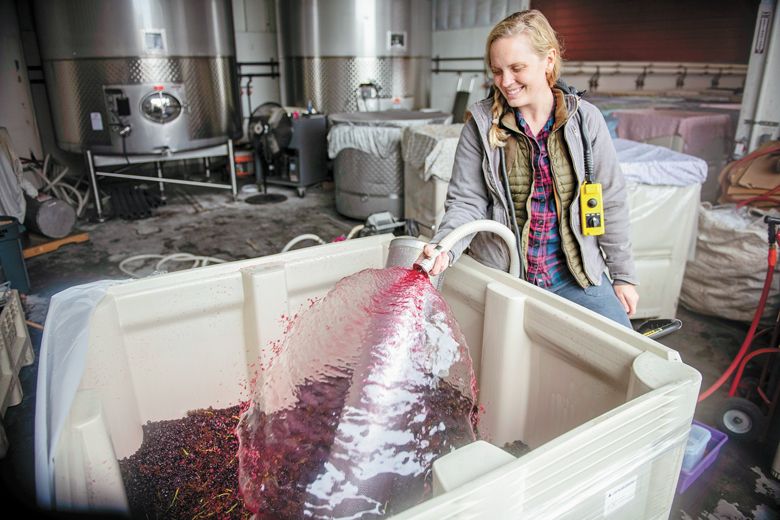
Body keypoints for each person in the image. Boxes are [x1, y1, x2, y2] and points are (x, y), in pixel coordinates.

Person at [420, 9, 638, 327]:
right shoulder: (481, 125)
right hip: (505, 277)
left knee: (625, 352)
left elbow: (611, 201)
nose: (505, 82)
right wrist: (445, 247)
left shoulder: (585, 121)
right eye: (497, 71)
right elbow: (466, 202)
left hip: (574, 278)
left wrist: (623, 276)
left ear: (548, 60)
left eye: (516, 68)